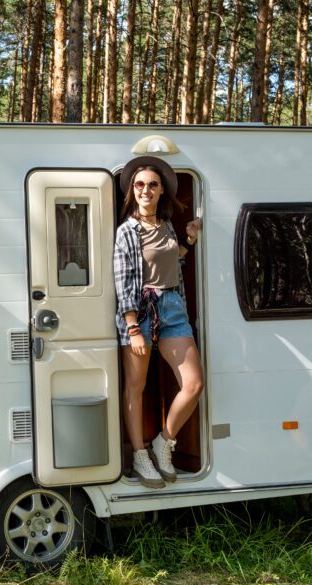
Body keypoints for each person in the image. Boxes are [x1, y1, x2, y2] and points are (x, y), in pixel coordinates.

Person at [114, 156, 204, 489]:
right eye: (140, 185)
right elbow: (122, 280)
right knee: (135, 389)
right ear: (132, 191)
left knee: (193, 383)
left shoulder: (165, 225)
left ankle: (163, 442)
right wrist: (133, 326)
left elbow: (169, 261)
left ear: (161, 189)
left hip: (172, 307)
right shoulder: (126, 232)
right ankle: (140, 455)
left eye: (152, 184)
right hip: (140, 310)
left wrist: (190, 240)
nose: (146, 190)